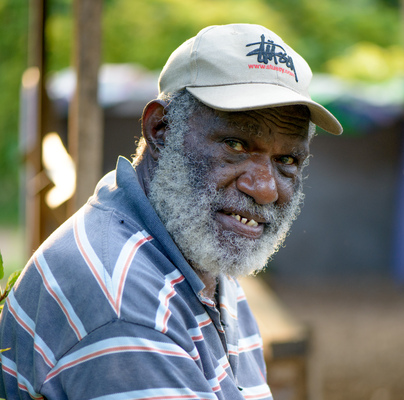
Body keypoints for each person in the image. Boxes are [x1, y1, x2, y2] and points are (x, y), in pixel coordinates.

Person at [0, 23, 342, 399]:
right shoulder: (123, 302)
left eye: (287, 159)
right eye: (236, 144)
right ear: (160, 129)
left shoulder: (198, 262)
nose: (264, 189)